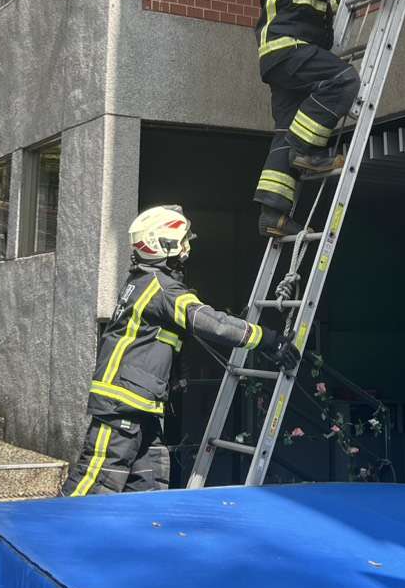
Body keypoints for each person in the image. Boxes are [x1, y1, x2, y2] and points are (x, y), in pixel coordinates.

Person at [63, 205, 297, 496]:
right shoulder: (161, 288)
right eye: (182, 241)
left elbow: (163, 337)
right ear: (161, 245)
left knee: (148, 485)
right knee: (95, 483)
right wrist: (265, 338)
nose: (187, 248)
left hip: (141, 404)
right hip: (123, 405)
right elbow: (207, 322)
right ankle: (48, 538)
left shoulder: (145, 283)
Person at [251, 0, 405, 237]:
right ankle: (305, 150)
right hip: (291, 51)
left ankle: (273, 214)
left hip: (279, 58)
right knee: (343, 80)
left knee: (285, 128)